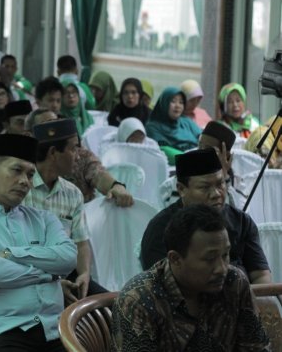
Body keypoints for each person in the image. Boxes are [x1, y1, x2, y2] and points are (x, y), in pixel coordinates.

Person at [0, 133, 78, 352]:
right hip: (0, 334)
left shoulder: (44, 219)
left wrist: (11, 253)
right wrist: (49, 276)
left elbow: (68, 259)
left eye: (30, 175)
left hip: (54, 331)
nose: (24, 182)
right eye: (16, 170)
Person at [114, 204, 270, 351]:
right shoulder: (139, 301)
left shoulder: (234, 283)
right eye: (210, 259)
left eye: (225, 255)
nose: (222, 269)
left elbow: (257, 347)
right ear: (175, 258)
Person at [140, 149, 271, 284]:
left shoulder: (241, 221)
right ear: (181, 189)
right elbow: (161, 285)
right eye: (205, 187)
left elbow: (261, 276)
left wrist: (254, 301)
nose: (216, 193)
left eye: (220, 184)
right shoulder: (160, 228)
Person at [23, 119, 107, 305]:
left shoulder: (72, 194)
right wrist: (51, 283)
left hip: (68, 275)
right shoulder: (22, 189)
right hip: (30, 279)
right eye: (73, 149)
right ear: (53, 153)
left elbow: (81, 243)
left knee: (113, 308)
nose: (78, 156)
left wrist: (84, 274)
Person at [25, 109, 134, 206]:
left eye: (56, 122)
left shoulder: (80, 156)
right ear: (30, 134)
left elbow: (98, 173)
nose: (55, 128)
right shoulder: (23, 168)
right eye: (46, 125)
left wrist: (115, 186)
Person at [146, 87, 202, 164]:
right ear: (164, 103)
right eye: (173, 101)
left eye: (181, 102)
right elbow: (162, 150)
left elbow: (202, 137)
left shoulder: (186, 122)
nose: (177, 106)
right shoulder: (152, 127)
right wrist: (189, 160)